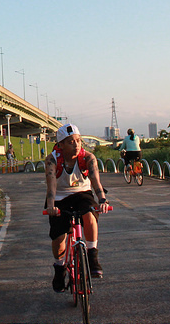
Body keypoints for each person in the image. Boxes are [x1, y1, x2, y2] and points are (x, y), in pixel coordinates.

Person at [45, 123, 109, 292]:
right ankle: (59, 269)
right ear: (60, 145)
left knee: (89, 214)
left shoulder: (88, 158)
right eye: (71, 142)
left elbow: (96, 181)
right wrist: (51, 207)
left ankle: (92, 255)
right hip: (59, 197)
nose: (76, 144)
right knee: (59, 238)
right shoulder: (52, 159)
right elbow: (51, 187)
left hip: (83, 193)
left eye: (78, 140)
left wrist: (102, 200)